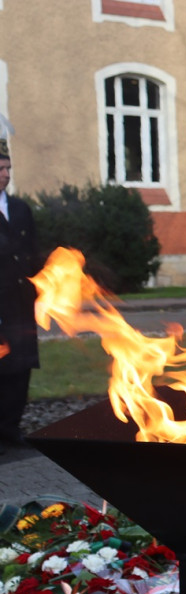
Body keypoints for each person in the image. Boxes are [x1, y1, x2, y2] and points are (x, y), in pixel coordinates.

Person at [0, 127, 41, 454]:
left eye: (8, 168)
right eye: (0, 168)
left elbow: (32, 253)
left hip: (21, 303)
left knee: (21, 367)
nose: (5, 174)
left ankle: (11, 427)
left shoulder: (21, 209)